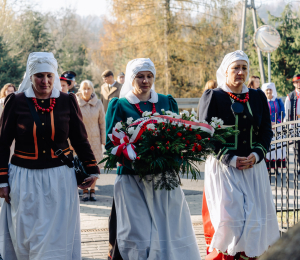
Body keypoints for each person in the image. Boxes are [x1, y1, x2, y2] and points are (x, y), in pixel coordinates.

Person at [0, 52, 100, 259]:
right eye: (39, 76)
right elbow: (2, 143)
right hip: (24, 178)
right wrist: (2, 180)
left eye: (49, 75)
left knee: (57, 235)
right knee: (27, 233)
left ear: (54, 76)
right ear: (30, 76)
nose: (44, 81)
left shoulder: (67, 101)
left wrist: (92, 169)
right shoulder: (15, 101)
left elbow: (80, 139)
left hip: (60, 179)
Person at [106, 58, 201, 260]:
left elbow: (179, 136)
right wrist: (136, 160)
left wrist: (174, 158)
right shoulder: (120, 106)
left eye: (149, 76)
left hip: (163, 179)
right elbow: (111, 144)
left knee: (170, 229)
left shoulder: (166, 101)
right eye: (140, 76)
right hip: (133, 179)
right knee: (138, 232)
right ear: (131, 79)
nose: (145, 81)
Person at [198, 50, 279, 260]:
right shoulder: (213, 97)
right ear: (226, 71)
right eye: (236, 67)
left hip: (253, 167)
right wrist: (229, 158)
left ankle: (249, 256)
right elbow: (205, 135)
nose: (240, 72)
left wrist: (257, 154)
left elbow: (266, 130)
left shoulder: (258, 96)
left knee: (254, 219)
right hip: (224, 168)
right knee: (231, 219)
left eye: (244, 68)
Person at [76, 80, 106, 201]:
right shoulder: (76, 103)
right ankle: (84, 190)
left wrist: (104, 140)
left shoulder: (98, 103)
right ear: (80, 90)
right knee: (82, 165)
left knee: (95, 165)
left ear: (92, 90)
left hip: (95, 140)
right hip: (81, 140)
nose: (86, 91)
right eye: (84, 89)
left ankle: (92, 190)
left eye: (89, 89)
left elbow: (102, 123)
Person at [262, 82, 286, 169]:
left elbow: (282, 113)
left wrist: (277, 122)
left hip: (278, 127)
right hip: (267, 127)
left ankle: (276, 167)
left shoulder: (278, 101)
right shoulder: (263, 101)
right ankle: (268, 167)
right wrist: (269, 122)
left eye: (270, 90)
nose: (268, 91)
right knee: (269, 147)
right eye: (267, 90)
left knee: (278, 147)